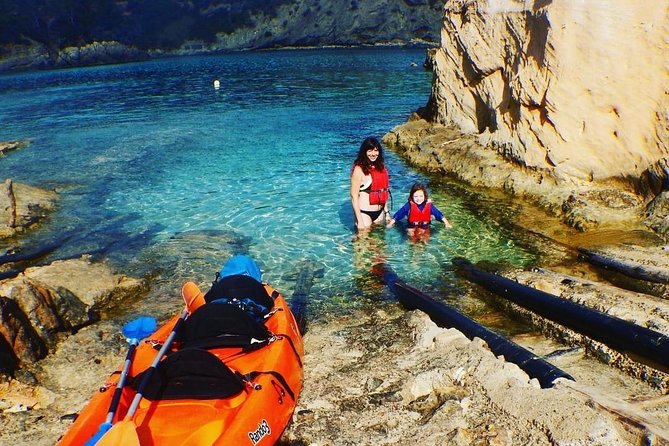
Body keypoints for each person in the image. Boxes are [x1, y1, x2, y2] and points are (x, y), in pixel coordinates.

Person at [350, 137, 391, 230]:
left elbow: (384, 191)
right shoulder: (359, 169)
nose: (373, 154)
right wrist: (359, 220)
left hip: (379, 213)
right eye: (370, 151)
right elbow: (354, 196)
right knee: (363, 242)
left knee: (380, 243)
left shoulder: (380, 167)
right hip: (364, 213)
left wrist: (387, 213)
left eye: (376, 150)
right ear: (364, 152)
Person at [387, 183, 452, 229]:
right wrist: (391, 223)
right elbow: (399, 214)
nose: (418, 199)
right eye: (416, 196)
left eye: (421, 196)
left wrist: (447, 223)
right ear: (412, 196)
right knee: (412, 238)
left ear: (425, 196)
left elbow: (438, 214)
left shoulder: (428, 205)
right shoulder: (409, 205)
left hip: (425, 226)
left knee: (425, 240)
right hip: (411, 226)